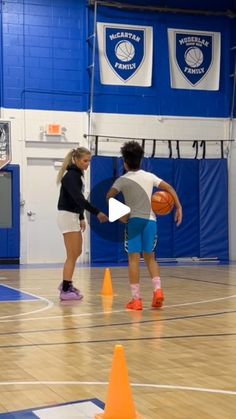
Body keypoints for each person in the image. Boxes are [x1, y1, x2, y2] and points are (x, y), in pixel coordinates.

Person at [106, 140, 182, 310]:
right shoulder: (150, 176)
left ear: (124, 163)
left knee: (133, 259)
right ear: (141, 161)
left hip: (134, 222)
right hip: (151, 221)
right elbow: (169, 188)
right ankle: (158, 291)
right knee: (150, 258)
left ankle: (136, 300)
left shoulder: (122, 180)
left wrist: (121, 215)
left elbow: (109, 197)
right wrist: (178, 207)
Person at [57, 147, 108, 301]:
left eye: (89, 161)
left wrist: (80, 217)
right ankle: (65, 289)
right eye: (85, 161)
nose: (87, 164)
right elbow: (79, 199)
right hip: (67, 216)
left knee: (77, 252)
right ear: (76, 160)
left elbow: (76, 200)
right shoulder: (71, 176)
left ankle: (66, 283)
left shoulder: (78, 175)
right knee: (72, 255)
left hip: (72, 215)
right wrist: (97, 212)